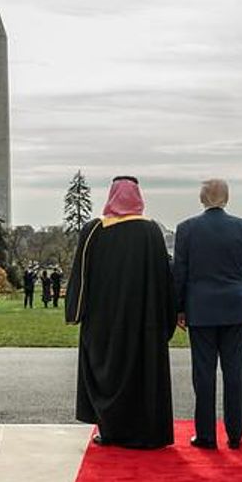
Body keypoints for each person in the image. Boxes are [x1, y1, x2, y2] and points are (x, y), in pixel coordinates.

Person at [65, 176, 176, 449]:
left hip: (104, 322)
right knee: (142, 375)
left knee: (107, 373)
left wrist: (75, 312)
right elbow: (165, 279)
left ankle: (111, 430)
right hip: (143, 322)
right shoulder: (151, 231)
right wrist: (168, 317)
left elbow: (80, 274)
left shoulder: (95, 230)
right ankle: (145, 433)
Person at [173, 178, 242, 450]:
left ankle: (207, 435)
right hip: (235, 306)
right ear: (227, 198)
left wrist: (179, 307)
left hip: (201, 307)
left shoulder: (187, 229)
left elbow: (181, 273)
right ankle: (235, 434)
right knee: (235, 373)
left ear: (202, 198)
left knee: (204, 374)